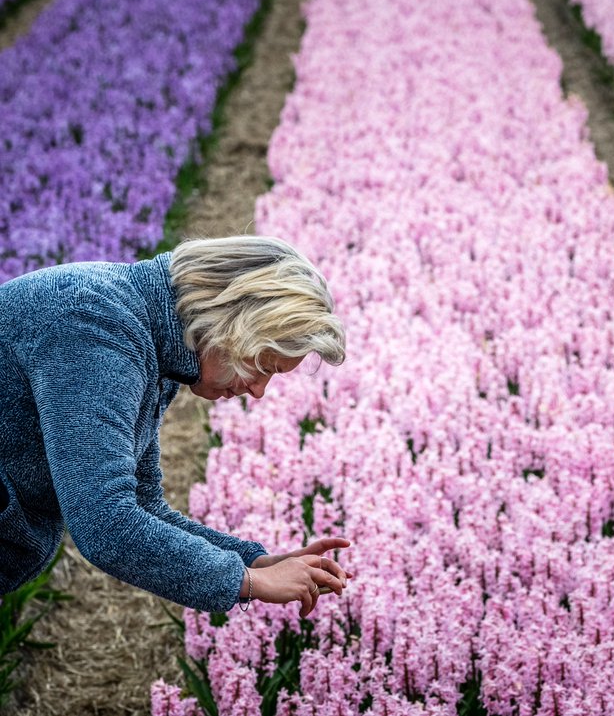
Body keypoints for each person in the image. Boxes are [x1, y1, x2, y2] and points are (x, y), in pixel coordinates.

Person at [0, 235, 351, 617]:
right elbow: (105, 523)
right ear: (235, 323)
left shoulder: (150, 338)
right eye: (263, 365)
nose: (259, 390)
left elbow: (142, 505)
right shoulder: (95, 328)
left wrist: (252, 562)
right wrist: (248, 584)